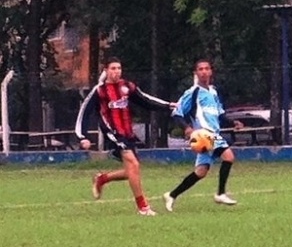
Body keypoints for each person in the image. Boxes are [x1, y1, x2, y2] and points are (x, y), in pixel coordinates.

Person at [74, 57, 176, 216]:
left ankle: (102, 179)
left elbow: (146, 100)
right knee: (134, 165)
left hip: (127, 133)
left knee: (132, 170)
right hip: (113, 133)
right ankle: (143, 207)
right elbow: (84, 113)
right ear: (106, 70)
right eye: (113, 68)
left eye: (119, 68)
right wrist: (82, 136)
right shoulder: (99, 90)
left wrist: (167, 105)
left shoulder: (127, 87)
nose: (116, 72)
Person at [163, 58, 243, 212]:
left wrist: (233, 123)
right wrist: (187, 128)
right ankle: (220, 193)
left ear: (211, 71)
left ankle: (171, 195)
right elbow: (177, 113)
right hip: (204, 135)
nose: (204, 71)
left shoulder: (213, 92)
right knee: (229, 156)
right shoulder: (193, 92)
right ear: (196, 73)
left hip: (211, 135)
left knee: (201, 172)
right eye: (201, 69)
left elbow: (219, 115)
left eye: (207, 68)